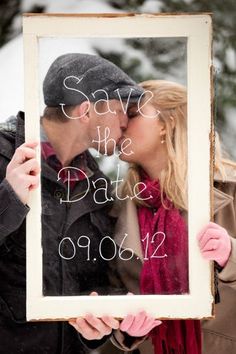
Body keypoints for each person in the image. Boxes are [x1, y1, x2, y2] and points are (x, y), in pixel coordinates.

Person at [0, 53, 160, 354]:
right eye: (120, 110)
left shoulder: (97, 187)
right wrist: (9, 198)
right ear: (86, 111)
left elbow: (93, 285)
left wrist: (101, 326)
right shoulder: (4, 159)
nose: (126, 122)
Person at [110, 80, 236, 354]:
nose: (119, 123)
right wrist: (126, 331)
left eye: (132, 113)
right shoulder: (117, 207)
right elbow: (112, 296)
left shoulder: (230, 188)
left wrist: (231, 256)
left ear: (167, 123)